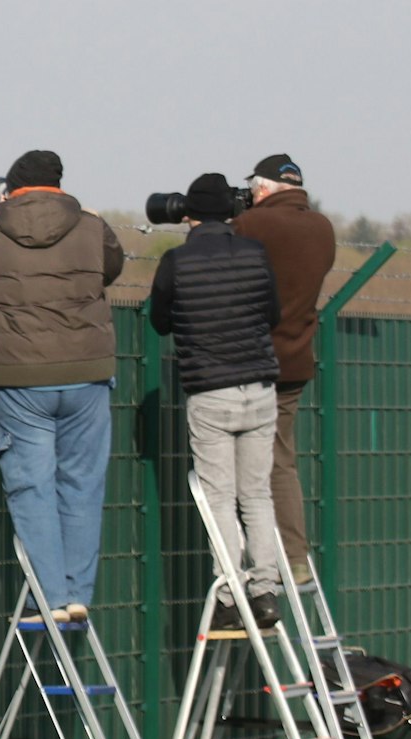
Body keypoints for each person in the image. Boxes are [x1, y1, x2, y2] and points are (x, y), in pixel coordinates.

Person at [0, 150, 124, 623]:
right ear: (58, 186)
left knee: (32, 487)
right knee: (82, 485)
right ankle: (78, 592)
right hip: (87, 370)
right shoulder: (92, 227)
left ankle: (48, 597)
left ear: (12, 188)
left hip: (18, 375)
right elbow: (110, 268)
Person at [149, 174, 284, 630]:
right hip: (260, 388)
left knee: (220, 499)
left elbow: (159, 321)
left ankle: (229, 596)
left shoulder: (176, 261)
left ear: (188, 214)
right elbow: (273, 314)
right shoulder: (255, 253)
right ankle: (266, 591)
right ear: (230, 212)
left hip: (210, 390)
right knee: (257, 495)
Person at [233, 154, 336, 587]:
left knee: (236, 465)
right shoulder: (323, 228)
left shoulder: (252, 225)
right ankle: (295, 556)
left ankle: (252, 562)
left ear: (262, 189)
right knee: (281, 461)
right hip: (295, 359)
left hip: (250, 361)